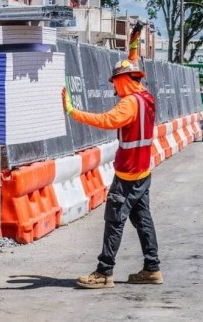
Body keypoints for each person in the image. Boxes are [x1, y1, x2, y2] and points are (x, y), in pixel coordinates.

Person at [61, 22, 162, 289]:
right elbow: (132, 63)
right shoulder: (145, 97)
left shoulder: (128, 104)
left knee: (114, 221)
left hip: (127, 175)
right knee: (143, 220)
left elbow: (105, 120)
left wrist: (72, 111)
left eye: (116, 83)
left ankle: (104, 272)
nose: (114, 88)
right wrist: (133, 41)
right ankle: (152, 268)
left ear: (123, 81)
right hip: (144, 173)